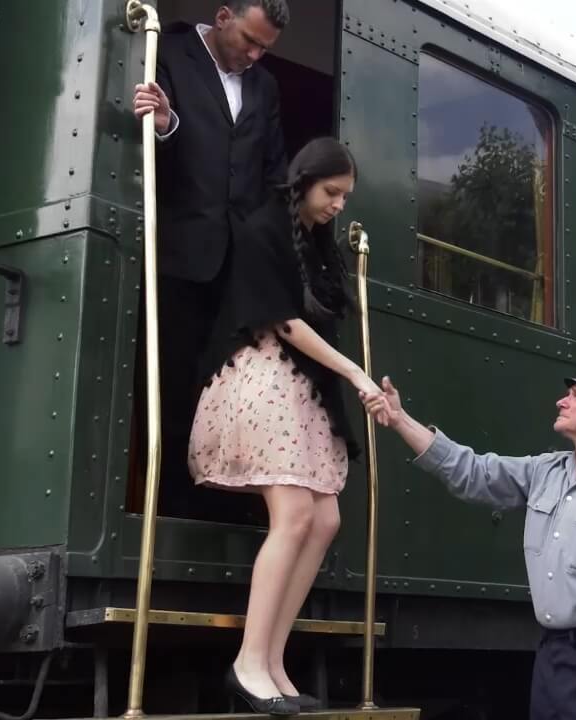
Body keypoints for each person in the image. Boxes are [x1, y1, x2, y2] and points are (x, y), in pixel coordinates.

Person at [362, 351, 576, 720]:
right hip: (551, 658)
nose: (562, 401)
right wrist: (400, 420)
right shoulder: (544, 473)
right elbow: (471, 472)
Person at [190, 138, 381, 716]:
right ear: (305, 181)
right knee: (296, 515)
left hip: (299, 390)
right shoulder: (262, 229)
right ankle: (249, 662)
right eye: (332, 193)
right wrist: (354, 373)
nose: (338, 205)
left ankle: (272, 660)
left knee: (325, 519)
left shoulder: (314, 242)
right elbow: (284, 322)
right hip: (264, 378)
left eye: (345, 197)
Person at [132, 0, 290, 508]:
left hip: (238, 269)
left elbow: (273, 173)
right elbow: (144, 146)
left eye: (265, 48)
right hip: (179, 258)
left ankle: (216, 509)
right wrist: (166, 124)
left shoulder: (265, 87)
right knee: (172, 388)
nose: (255, 55)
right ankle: (170, 508)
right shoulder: (169, 52)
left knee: (227, 393)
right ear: (223, 17)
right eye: (250, 40)